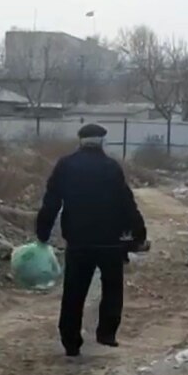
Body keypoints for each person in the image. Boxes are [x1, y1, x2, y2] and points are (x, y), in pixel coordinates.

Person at [36, 123, 147, 357]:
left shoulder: (66, 166)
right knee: (112, 288)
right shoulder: (111, 167)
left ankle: (71, 340)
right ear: (102, 141)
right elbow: (126, 201)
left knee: (74, 291)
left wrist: (42, 232)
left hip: (78, 240)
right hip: (109, 241)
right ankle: (106, 332)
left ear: (80, 141)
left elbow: (51, 201)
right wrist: (138, 232)